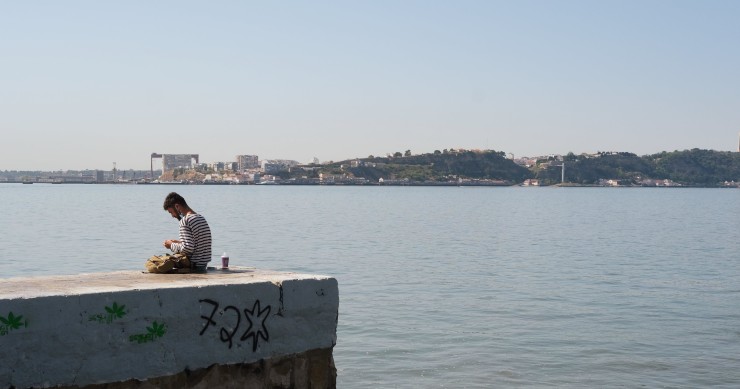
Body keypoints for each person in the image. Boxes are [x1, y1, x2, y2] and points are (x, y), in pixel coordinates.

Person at [162, 192, 212, 273]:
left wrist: (171, 245)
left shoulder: (185, 221)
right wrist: (179, 242)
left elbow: (187, 248)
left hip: (193, 267)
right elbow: (198, 242)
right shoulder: (200, 218)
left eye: (171, 212)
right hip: (202, 266)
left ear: (177, 206)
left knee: (156, 264)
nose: (172, 216)